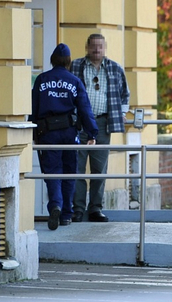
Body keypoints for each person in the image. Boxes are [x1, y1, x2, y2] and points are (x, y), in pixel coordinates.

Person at [32, 44, 99, 230]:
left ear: (52, 60)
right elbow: (85, 109)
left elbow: (33, 108)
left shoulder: (41, 79)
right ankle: (66, 215)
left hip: (47, 133)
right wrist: (92, 132)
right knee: (70, 173)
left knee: (52, 172)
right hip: (69, 132)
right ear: (69, 61)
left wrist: (33, 132)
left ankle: (55, 205)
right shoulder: (75, 81)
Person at [70, 34, 130, 223]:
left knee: (99, 169)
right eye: (93, 46)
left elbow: (125, 95)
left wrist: (122, 113)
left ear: (105, 48)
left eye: (100, 46)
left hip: (103, 123)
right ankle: (77, 209)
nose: (97, 50)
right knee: (77, 169)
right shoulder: (76, 66)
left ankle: (95, 209)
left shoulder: (114, 68)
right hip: (79, 122)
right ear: (87, 47)